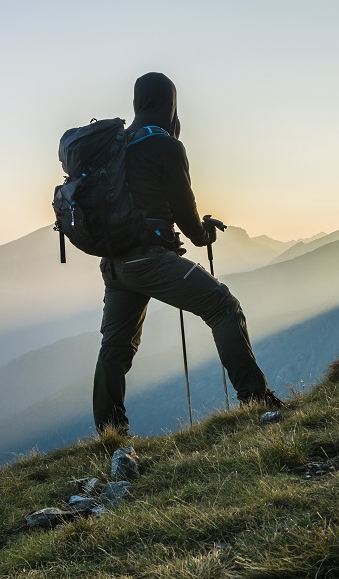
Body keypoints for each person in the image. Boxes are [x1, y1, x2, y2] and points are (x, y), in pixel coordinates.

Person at [92, 71, 284, 435]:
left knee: (115, 346)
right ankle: (256, 398)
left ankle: (109, 432)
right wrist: (203, 233)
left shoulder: (118, 145)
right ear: (171, 103)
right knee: (223, 306)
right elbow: (185, 212)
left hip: (116, 264)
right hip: (149, 260)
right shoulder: (166, 145)